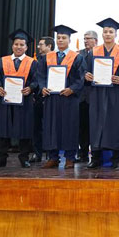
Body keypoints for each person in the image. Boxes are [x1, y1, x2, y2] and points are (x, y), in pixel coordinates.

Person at [84, 17, 119, 170]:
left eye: (111, 32)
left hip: (115, 94)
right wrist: (86, 75)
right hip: (97, 93)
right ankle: (96, 158)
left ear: (115, 34)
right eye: (105, 32)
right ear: (102, 34)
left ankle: (116, 159)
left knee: (115, 124)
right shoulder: (93, 52)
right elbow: (84, 71)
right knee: (96, 124)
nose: (108, 34)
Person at [38, 25, 85, 169]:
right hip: (52, 98)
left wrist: (72, 89)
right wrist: (42, 87)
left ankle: (70, 157)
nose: (60, 40)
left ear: (69, 40)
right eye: (58, 38)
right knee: (52, 127)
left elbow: (81, 78)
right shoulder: (47, 57)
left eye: (64, 38)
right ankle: (53, 157)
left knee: (69, 127)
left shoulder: (77, 58)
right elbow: (41, 76)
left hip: (69, 98)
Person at [0, 29, 38, 168]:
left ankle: (24, 158)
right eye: (16, 44)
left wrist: (31, 88)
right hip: (6, 100)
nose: (18, 47)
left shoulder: (32, 62)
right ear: (12, 46)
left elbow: (37, 79)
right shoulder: (3, 61)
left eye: (22, 45)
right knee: (4, 130)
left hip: (24, 100)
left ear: (26, 47)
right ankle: (1, 158)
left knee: (24, 130)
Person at [31, 36, 54, 163]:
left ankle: (52, 154)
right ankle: (37, 153)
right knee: (36, 127)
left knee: (51, 127)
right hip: (39, 97)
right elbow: (36, 79)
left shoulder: (57, 59)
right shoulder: (37, 60)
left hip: (53, 97)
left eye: (41, 44)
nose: (38, 47)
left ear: (49, 46)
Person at [77, 30, 97, 163]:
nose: (86, 41)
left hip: (96, 95)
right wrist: (83, 74)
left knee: (94, 126)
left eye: (89, 38)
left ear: (96, 40)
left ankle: (95, 154)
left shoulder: (100, 54)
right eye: (84, 38)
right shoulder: (78, 54)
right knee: (82, 126)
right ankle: (82, 153)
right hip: (81, 96)